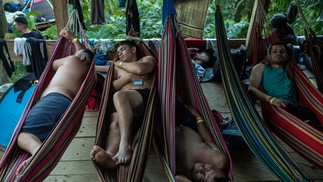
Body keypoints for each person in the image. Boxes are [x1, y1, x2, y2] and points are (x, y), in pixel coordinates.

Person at [15, 28, 94, 176]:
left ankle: (38, 154)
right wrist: (74, 40)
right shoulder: (88, 75)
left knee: (22, 136)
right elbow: (86, 54)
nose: (72, 54)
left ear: (80, 58)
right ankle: (40, 149)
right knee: (40, 136)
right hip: (67, 108)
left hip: (53, 101)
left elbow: (53, 64)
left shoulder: (73, 60)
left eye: (75, 53)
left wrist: (70, 49)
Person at [90, 40, 157, 167]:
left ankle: (124, 145)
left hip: (142, 99)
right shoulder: (115, 68)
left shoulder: (147, 59)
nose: (119, 53)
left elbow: (140, 69)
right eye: (118, 51)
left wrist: (119, 63)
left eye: (123, 49)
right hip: (121, 104)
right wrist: (128, 78)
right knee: (114, 123)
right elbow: (110, 89)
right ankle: (110, 156)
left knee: (120, 96)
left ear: (133, 49)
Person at [248, 41, 322, 131]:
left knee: (308, 113)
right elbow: (251, 89)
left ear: (287, 56)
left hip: (295, 108)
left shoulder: (289, 69)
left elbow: (290, 46)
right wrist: (271, 99)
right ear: (268, 56)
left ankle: (312, 130)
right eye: (274, 51)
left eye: (282, 51)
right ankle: (309, 128)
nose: (278, 53)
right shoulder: (261, 68)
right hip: (277, 108)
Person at [175, 102, 230, 182]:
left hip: (164, 130)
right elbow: (208, 140)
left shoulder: (186, 177)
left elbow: (176, 178)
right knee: (174, 98)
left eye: (202, 176)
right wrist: (198, 117)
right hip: (187, 122)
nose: (201, 168)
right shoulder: (220, 161)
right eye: (210, 168)